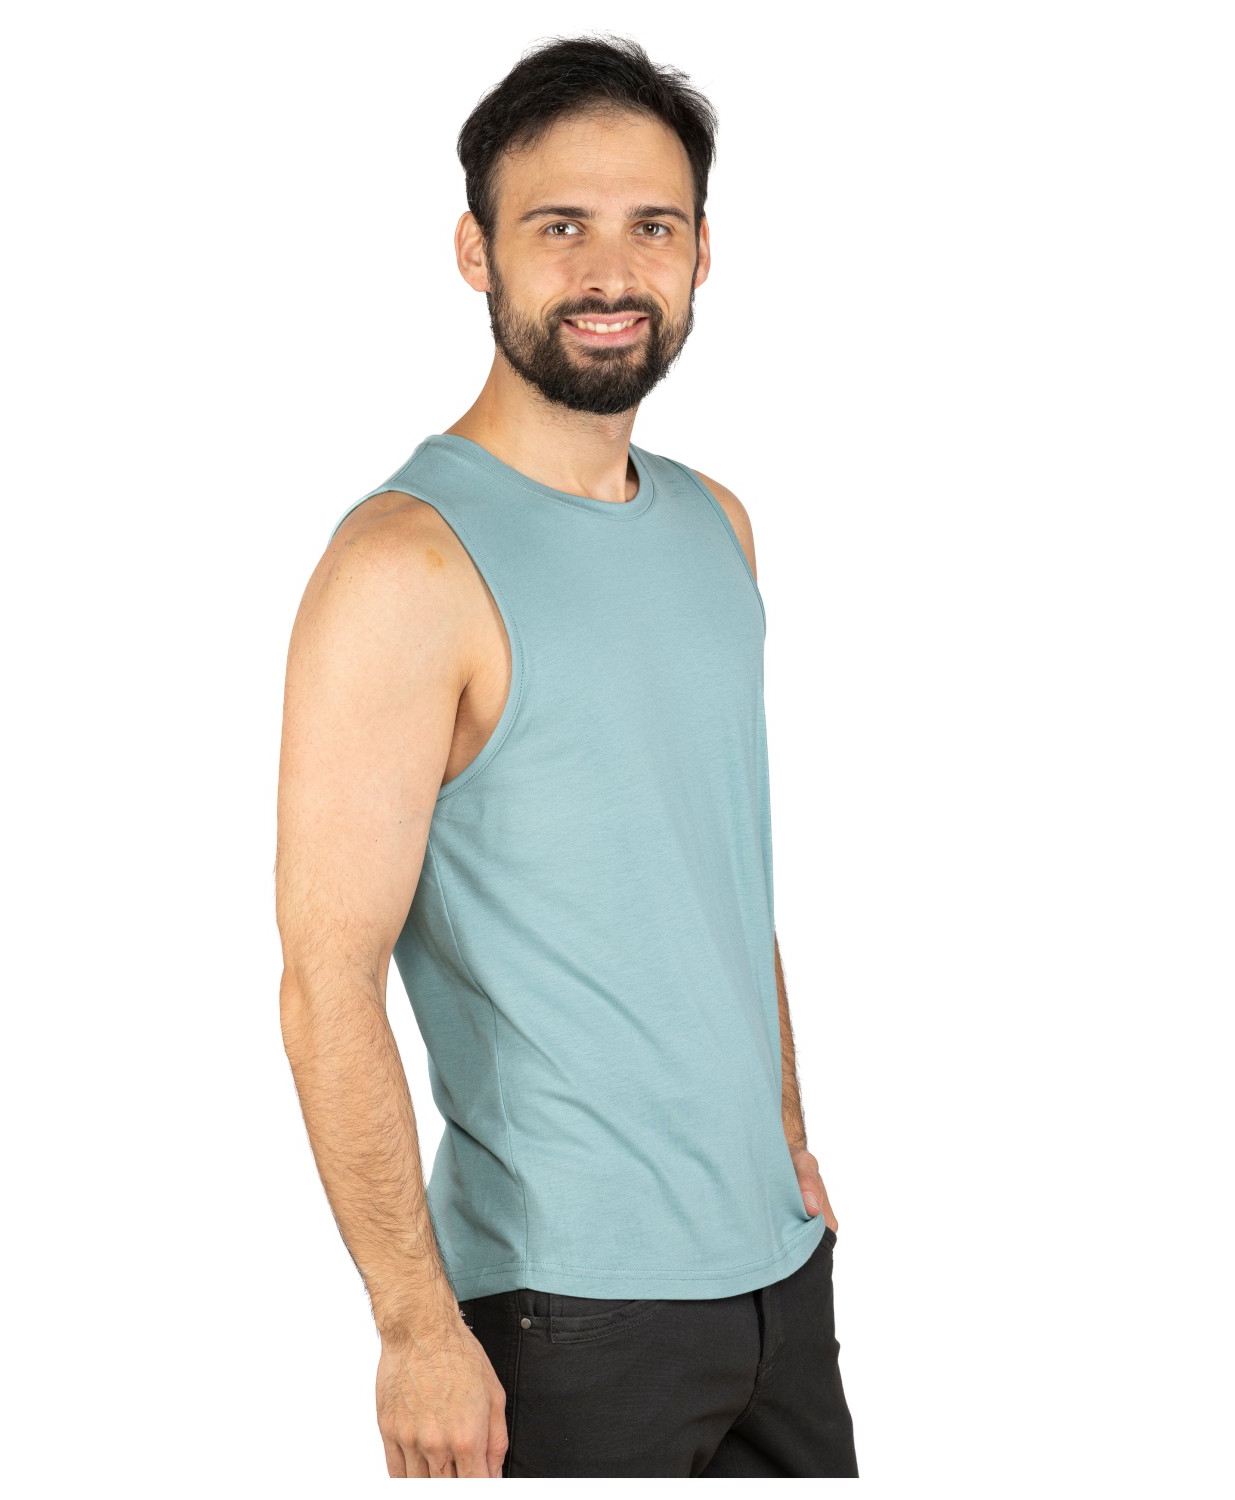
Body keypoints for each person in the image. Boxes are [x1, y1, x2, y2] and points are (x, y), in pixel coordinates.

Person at [275, 34, 859, 1479]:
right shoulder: (405, 566)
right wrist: (415, 1325)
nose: (611, 272)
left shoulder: (716, 523)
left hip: (780, 1272)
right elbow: (327, 976)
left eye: (652, 226)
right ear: (475, 250)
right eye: (559, 227)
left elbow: (717, 880)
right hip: (565, 1310)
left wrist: (785, 1130)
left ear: (703, 252)